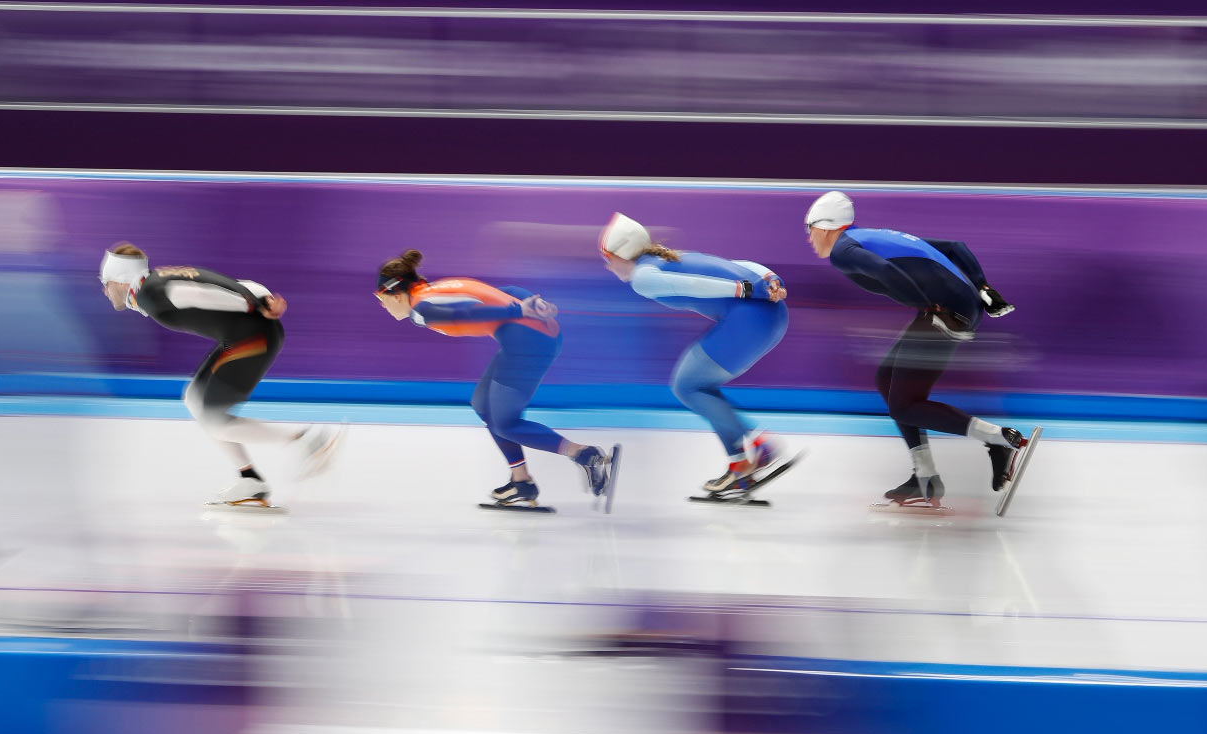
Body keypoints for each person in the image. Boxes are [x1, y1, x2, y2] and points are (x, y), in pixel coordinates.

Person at [803, 191, 1023, 507]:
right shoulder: (871, 236)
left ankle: (1000, 439)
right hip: (954, 306)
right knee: (887, 378)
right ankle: (925, 476)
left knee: (904, 405)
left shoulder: (843, 249)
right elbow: (955, 247)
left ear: (823, 227)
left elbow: (886, 272)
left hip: (946, 312)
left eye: (808, 229)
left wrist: (927, 304)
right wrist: (983, 287)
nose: (809, 239)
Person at [99, 243, 339, 508]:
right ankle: (249, 479)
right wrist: (261, 297)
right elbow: (227, 283)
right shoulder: (156, 281)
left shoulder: (151, 293)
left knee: (214, 420)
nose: (104, 290)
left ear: (120, 280)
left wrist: (253, 304)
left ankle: (308, 443)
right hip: (242, 337)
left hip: (254, 338)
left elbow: (200, 293)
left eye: (105, 283)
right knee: (194, 398)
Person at [374, 249, 616, 511]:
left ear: (394, 294)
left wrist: (518, 310)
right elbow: (501, 290)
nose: (383, 306)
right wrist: (533, 304)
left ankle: (584, 454)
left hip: (529, 343)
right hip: (525, 338)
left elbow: (465, 314)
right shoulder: (436, 289)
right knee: (483, 405)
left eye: (381, 299)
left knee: (505, 424)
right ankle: (521, 481)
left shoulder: (421, 309)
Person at [599, 213, 794, 498]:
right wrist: (770, 279)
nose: (608, 265)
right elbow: (738, 265)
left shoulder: (643, 276)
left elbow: (693, 285)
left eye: (607, 257)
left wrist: (746, 289)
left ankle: (760, 444)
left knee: (687, 385)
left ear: (622, 252)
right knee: (700, 387)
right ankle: (739, 465)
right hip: (774, 316)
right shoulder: (670, 257)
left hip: (750, 317)